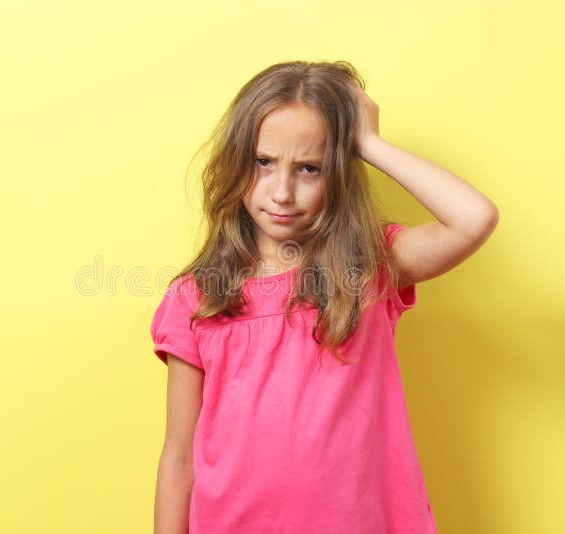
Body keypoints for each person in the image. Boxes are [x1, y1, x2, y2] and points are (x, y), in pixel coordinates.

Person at [150, 60, 498, 534]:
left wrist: (370, 143)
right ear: (236, 160)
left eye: (309, 168)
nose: (282, 192)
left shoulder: (370, 268)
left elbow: (474, 218)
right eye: (263, 163)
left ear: (338, 171)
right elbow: (178, 456)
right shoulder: (197, 296)